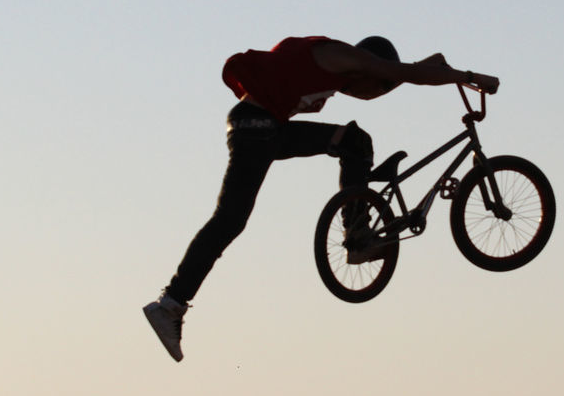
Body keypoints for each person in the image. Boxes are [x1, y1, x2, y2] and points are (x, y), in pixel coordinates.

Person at [143, 35, 499, 362]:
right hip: (256, 127)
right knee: (230, 218)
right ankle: (171, 303)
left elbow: (394, 77)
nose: (368, 96)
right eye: (377, 85)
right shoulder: (339, 54)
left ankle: (356, 232)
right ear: (368, 66)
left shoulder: (343, 74)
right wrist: (467, 76)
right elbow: (396, 74)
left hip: (271, 129)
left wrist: (424, 68)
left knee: (354, 141)